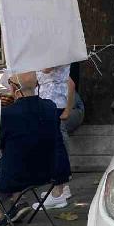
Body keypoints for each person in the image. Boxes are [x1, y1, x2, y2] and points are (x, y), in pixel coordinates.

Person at [0, 72, 59, 226]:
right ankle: (18, 201)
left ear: (15, 89)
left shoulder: (7, 115)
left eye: (9, 83)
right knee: (20, 153)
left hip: (16, 178)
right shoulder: (50, 107)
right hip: (48, 174)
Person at [34, 65, 74, 209]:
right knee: (55, 145)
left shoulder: (54, 49)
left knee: (56, 146)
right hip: (50, 101)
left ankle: (58, 192)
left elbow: (46, 68)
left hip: (53, 101)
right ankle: (61, 188)